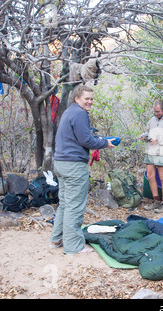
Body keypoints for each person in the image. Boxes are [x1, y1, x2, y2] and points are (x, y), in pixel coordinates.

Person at [50, 84, 115, 254]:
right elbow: (86, 141)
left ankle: (57, 239)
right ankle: (73, 246)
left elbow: (79, 137)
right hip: (73, 166)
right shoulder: (80, 113)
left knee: (64, 204)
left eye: (92, 99)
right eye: (86, 98)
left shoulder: (69, 112)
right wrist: (104, 143)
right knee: (75, 206)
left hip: (61, 163)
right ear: (77, 98)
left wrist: (97, 139)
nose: (90, 102)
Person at [140, 100, 163, 213]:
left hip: (162, 151)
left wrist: (159, 139)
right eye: (154, 111)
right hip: (150, 151)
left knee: (162, 177)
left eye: (158, 112)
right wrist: (144, 136)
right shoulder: (152, 120)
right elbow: (147, 131)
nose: (156, 114)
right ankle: (155, 200)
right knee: (150, 176)